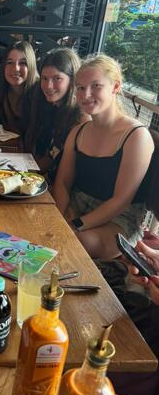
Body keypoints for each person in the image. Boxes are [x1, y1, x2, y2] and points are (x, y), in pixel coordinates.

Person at [53, 54, 154, 259]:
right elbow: (62, 182)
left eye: (96, 86)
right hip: (77, 204)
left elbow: (121, 201)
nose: (86, 94)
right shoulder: (78, 131)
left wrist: (76, 225)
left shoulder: (137, 136)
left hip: (119, 218)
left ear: (115, 87)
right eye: (80, 88)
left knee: (74, 244)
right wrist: (59, 216)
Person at [26, 47, 88, 183]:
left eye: (57, 78)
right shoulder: (51, 107)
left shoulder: (81, 118)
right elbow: (50, 154)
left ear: (73, 80)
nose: (48, 86)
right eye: (44, 78)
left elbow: (70, 174)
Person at [0, 40, 39, 141]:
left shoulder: (40, 93)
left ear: (31, 66)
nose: (16, 68)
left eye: (22, 63)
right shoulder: (3, 90)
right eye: (10, 62)